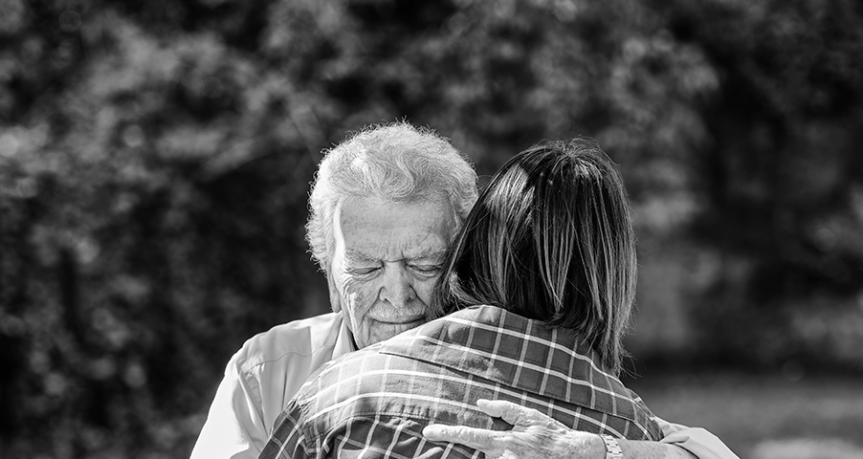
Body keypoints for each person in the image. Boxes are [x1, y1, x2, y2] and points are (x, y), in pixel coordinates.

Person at [190, 123, 736, 459]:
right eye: (365, 267)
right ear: (326, 262)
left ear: (461, 255)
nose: (397, 295)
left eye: (422, 264)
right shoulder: (268, 370)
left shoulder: (526, 367)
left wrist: (603, 452)